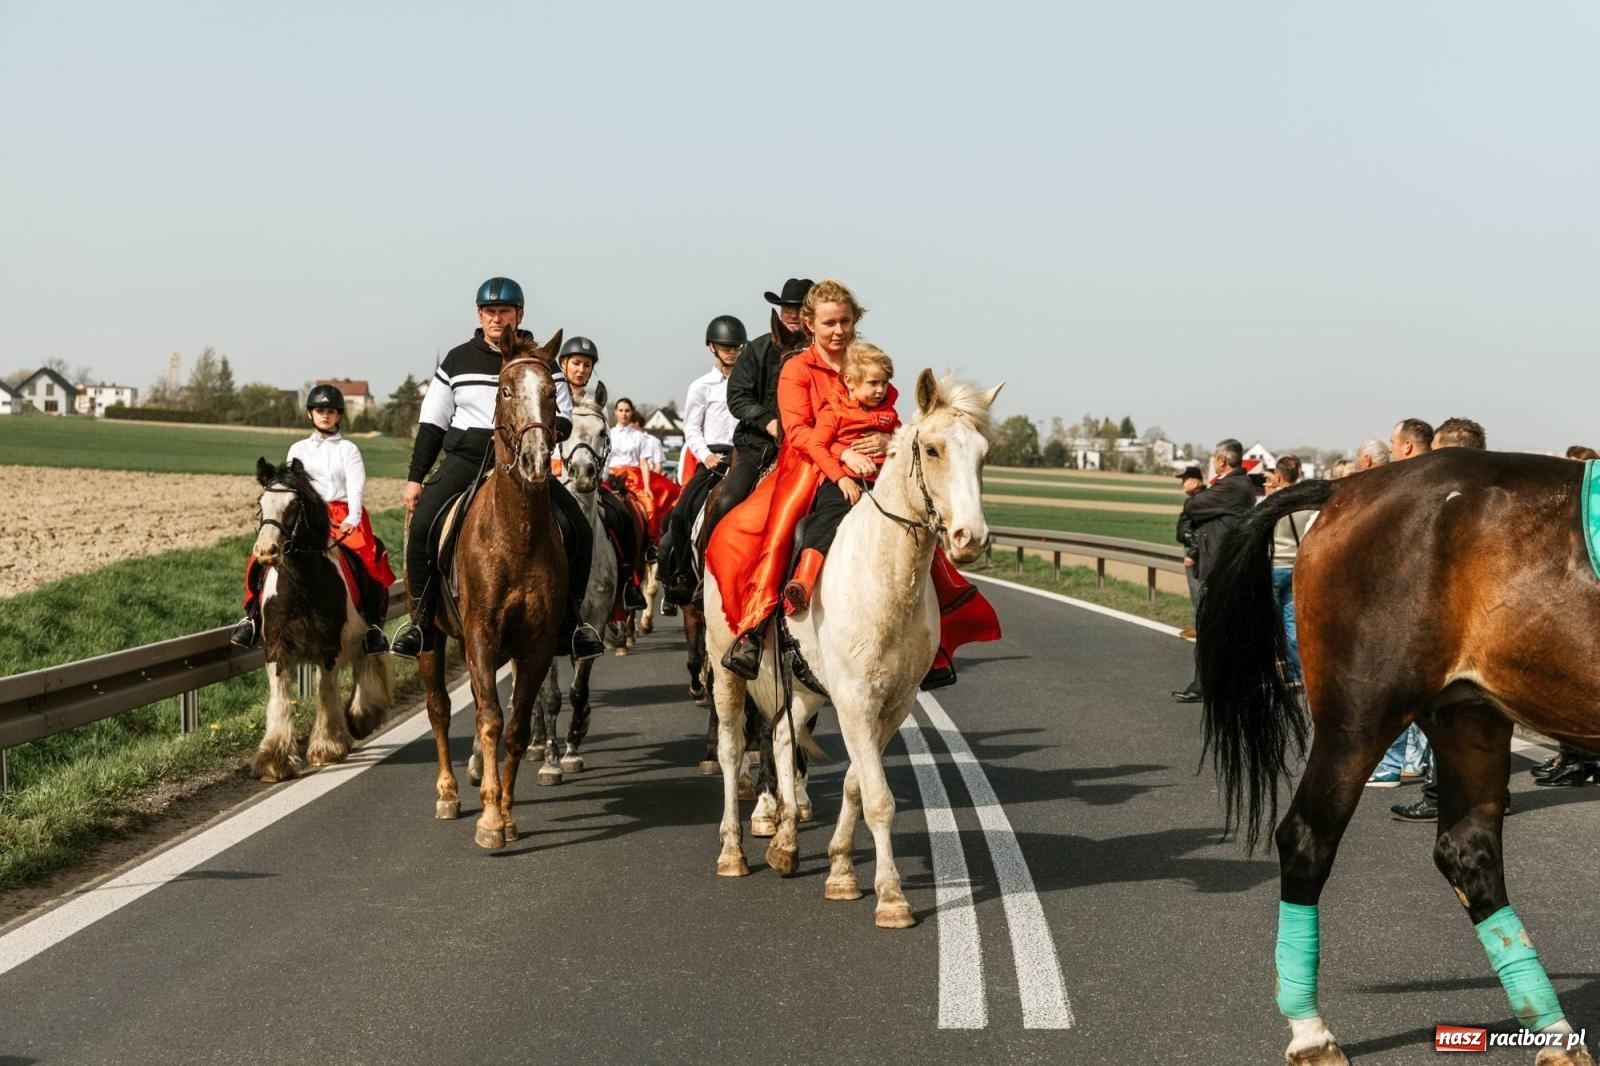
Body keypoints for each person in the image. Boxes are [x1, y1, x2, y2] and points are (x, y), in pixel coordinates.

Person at [708, 278, 997, 688]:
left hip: (873, 464)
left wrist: (888, 438)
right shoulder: (796, 368)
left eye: (845, 321)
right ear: (810, 324)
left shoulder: (866, 362)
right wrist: (842, 455)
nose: (838, 331)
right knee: (779, 529)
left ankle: (933, 637)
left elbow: (891, 417)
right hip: (809, 463)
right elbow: (796, 431)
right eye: (829, 323)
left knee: (916, 525)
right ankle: (757, 625)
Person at [390, 277, 603, 661]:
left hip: (525, 466)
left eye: (504, 311)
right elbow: (433, 424)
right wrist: (414, 479)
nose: (496, 318)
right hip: (465, 462)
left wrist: (535, 433)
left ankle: (571, 625)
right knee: (422, 525)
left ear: (519, 314)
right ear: (479, 314)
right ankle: (420, 623)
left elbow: (564, 420)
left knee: (579, 529)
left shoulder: (543, 361)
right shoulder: (457, 361)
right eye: (489, 312)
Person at [230, 383, 394, 654]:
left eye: (330, 411)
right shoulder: (298, 449)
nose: (325, 415)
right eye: (319, 410)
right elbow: (290, 488)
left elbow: (356, 488)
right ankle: (252, 617)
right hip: (305, 515)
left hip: (342, 513)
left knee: (368, 557)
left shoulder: (349, 450)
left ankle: (373, 626)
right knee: (260, 555)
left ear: (339, 415)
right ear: (310, 414)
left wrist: (353, 518)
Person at [1392, 418, 1490, 820]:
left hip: (1453, 627)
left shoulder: (1447, 500)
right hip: (1488, 628)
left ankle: (1439, 795)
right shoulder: (1494, 495)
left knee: (1444, 716)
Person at [781, 340, 902, 612]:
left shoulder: (889, 413)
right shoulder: (834, 410)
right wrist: (841, 478)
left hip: (882, 483)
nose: (880, 390)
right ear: (850, 382)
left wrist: (891, 441)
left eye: (884, 383)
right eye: (873, 383)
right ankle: (803, 581)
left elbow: (905, 441)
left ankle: (941, 592)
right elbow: (816, 445)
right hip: (845, 481)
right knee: (825, 519)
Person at [710, 278, 816, 530]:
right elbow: (737, 395)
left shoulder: (825, 352)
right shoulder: (756, 350)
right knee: (727, 501)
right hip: (757, 448)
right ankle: (710, 551)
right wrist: (768, 422)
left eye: (800, 308)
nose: (793, 314)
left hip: (812, 448)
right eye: (787, 308)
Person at [661, 315, 744, 607]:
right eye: (726, 346)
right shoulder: (701, 386)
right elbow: (692, 429)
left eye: (736, 347)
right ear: (712, 347)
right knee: (680, 514)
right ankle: (684, 575)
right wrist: (705, 455)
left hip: (745, 459)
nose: (732, 352)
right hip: (713, 459)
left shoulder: (748, 384)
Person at [1171, 439, 1256, 703]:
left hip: (1221, 569)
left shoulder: (1230, 486)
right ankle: (1216, 685)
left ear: (1221, 460)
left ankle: (1205, 686)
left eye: (1214, 458)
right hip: (1225, 567)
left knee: (1211, 630)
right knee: (1221, 630)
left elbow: (1192, 508)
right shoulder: (1239, 484)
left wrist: (1198, 494)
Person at [1264, 455, 1311, 687]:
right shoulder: (1305, 502)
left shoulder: (1271, 502)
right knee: (1291, 622)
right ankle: (1295, 672)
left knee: (1269, 622)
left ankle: (1268, 671)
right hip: (1295, 566)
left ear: (1278, 475)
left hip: (1274, 565)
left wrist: (1268, 493)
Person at [607, 398, 680, 543]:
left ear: (632, 412)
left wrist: (647, 487)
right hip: (611, 475)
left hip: (634, 476)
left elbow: (644, 463)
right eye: (620, 410)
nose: (624, 414)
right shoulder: (608, 434)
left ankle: (650, 542)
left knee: (649, 505)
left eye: (627, 411)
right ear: (615, 412)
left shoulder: (639, 437)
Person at [1174, 464, 1205, 639]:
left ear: (1196, 481)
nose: (1183, 483)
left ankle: (1198, 627)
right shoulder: (1197, 499)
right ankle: (1196, 626)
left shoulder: (1199, 501)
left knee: (1197, 590)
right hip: (1194, 549)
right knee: (1196, 591)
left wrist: (1192, 552)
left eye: (1185, 480)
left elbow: (1200, 530)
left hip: (1195, 552)